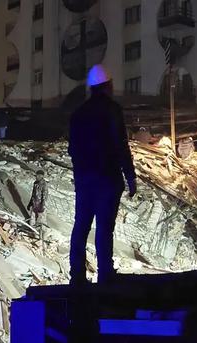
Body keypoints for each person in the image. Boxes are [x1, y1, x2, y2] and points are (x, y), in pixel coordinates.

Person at [68, 64, 137, 284]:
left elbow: (73, 149)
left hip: (85, 179)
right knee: (105, 227)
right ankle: (105, 272)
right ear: (108, 85)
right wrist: (130, 176)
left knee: (81, 225)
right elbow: (120, 144)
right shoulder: (112, 110)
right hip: (107, 178)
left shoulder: (77, 114)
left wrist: (81, 173)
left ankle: (77, 274)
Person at [27, 170, 48, 238]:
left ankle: (43, 237)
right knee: (32, 219)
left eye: (38, 175)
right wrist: (30, 203)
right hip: (34, 204)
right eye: (36, 175)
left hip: (41, 205)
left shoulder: (44, 184)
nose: (37, 176)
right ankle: (33, 234)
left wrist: (42, 206)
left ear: (42, 176)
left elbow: (44, 196)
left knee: (41, 220)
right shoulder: (35, 183)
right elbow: (33, 194)